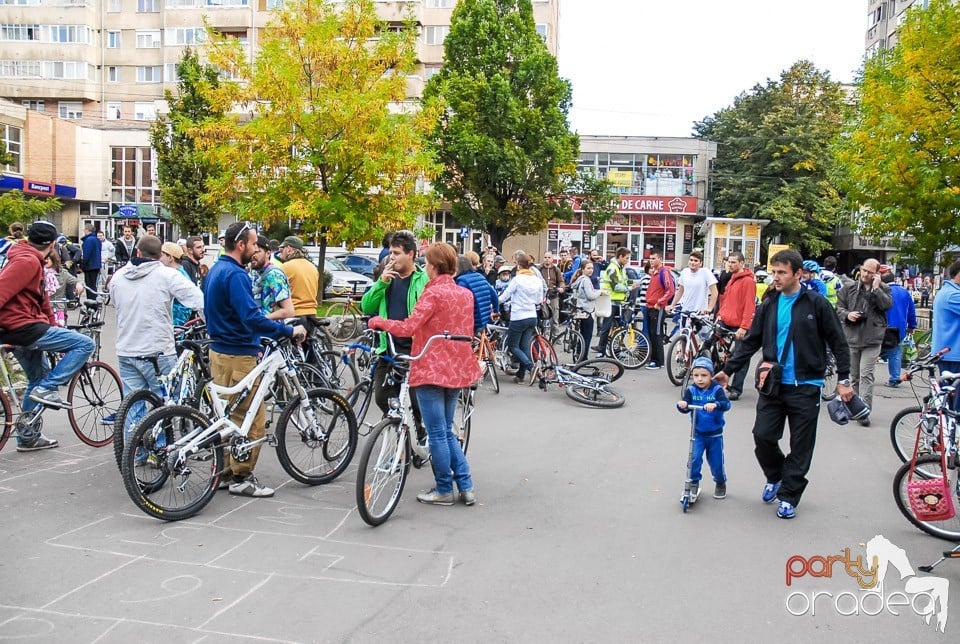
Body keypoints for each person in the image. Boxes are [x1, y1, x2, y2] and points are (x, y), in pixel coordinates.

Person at [715, 249, 853, 520]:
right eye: (773, 272)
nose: (775, 278)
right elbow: (751, 341)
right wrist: (727, 370)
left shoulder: (816, 304)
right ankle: (777, 476)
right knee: (763, 436)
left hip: (807, 385)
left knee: (801, 446)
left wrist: (844, 379)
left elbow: (839, 342)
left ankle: (789, 495)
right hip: (773, 384)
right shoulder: (769, 305)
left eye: (781, 273)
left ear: (797, 274)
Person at [367, 242, 480, 506]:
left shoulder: (433, 294)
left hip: (431, 366)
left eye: (427, 262)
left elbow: (408, 327)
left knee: (437, 433)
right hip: (456, 368)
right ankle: (466, 485)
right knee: (446, 431)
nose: (425, 266)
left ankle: (443, 488)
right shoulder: (464, 294)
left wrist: (378, 321)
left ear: (433, 265)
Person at [204, 221, 307, 497]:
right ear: (241, 245)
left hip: (219, 352)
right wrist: (288, 330)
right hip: (239, 353)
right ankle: (242, 477)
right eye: (252, 243)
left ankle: (225, 471)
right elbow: (250, 318)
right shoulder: (236, 275)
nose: (256, 248)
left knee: (226, 417)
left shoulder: (216, 269)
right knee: (251, 418)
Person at [0, 221, 94, 451]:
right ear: (53, 244)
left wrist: (54, 326)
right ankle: (49, 389)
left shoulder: (30, 258)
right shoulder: (27, 261)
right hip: (22, 327)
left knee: (37, 376)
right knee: (85, 344)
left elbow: (42, 301)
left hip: (23, 325)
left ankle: (28, 436)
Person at [109, 235, 204, 430]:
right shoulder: (167, 275)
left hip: (126, 349)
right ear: (160, 254)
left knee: (133, 405)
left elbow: (115, 303)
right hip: (158, 349)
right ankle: (160, 449)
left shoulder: (118, 277)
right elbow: (199, 300)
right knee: (165, 403)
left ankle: (135, 453)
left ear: (137, 252)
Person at [360, 230, 428, 421]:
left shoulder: (423, 279)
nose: (392, 257)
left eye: (396, 253)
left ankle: (420, 439)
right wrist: (381, 283)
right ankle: (397, 429)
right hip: (388, 347)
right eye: (390, 253)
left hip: (415, 350)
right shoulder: (387, 278)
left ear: (411, 255)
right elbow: (366, 306)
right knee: (382, 397)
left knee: (417, 404)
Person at [835, 257, 892, 426]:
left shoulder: (884, 289)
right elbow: (838, 308)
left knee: (866, 374)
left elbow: (886, 306)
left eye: (870, 272)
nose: (866, 274)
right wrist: (847, 315)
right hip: (852, 336)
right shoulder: (849, 288)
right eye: (864, 270)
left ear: (876, 274)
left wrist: (876, 289)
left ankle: (864, 411)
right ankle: (854, 407)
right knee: (854, 376)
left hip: (872, 338)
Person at [677, 356, 731, 501]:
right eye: (696, 375)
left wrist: (716, 405)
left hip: (714, 435)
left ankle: (720, 482)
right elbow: (686, 406)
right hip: (698, 433)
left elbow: (726, 404)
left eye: (704, 375)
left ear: (711, 375)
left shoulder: (716, 390)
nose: (700, 379)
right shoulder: (691, 390)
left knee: (716, 462)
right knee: (694, 459)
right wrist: (682, 405)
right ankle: (693, 482)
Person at [498, 253, 545, 384]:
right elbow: (538, 300)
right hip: (532, 316)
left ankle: (533, 369)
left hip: (518, 316)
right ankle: (520, 376)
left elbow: (504, 297)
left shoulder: (517, 280)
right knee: (524, 348)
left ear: (518, 265)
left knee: (512, 346)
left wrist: (494, 302)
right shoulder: (537, 280)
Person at [716, 251, 756, 400]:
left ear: (741, 263)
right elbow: (726, 301)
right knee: (709, 342)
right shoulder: (732, 278)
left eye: (733, 262)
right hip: (725, 320)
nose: (730, 265)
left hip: (739, 324)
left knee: (741, 356)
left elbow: (749, 306)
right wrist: (719, 315)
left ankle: (736, 388)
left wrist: (744, 327)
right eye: (729, 262)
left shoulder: (748, 281)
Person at [879, 270, 916, 388]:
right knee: (895, 352)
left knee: (873, 350)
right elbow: (911, 311)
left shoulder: (881, 291)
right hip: (898, 328)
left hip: (881, 327)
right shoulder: (905, 292)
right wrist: (912, 326)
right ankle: (895, 378)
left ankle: (863, 375)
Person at [595, 247, 633, 357]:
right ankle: (601, 349)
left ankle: (614, 349)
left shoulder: (620, 268)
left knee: (618, 327)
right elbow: (616, 286)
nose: (627, 260)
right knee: (607, 326)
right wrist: (630, 288)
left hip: (618, 301)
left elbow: (624, 281)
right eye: (626, 258)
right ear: (620, 257)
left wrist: (632, 283)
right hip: (610, 301)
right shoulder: (613, 268)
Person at [278, 235, 320, 325]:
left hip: (294, 314)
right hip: (312, 314)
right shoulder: (312, 267)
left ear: (289, 249)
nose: (280, 254)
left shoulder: (285, 267)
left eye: (282, 250)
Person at [251, 235, 294, 319]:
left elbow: (289, 311)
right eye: (252, 252)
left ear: (268, 253)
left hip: (267, 328)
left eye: (257, 252)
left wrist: (261, 320)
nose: (253, 255)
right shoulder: (253, 272)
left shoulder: (274, 275)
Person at [644, 252, 675, 370]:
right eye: (650, 259)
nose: (651, 261)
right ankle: (654, 359)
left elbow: (670, 290)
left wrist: (660, 302)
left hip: (657, 308)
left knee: (657, 334)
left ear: (660, 259)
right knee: (652, 334)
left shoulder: (664, 272)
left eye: (653, 258)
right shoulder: (655, 273)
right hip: (650, 307)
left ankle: (658, 361)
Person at [455, 255, 499, 334]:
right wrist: (496, 311)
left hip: (473, 321)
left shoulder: (462, 282)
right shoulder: (480, 276)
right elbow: (494, 295)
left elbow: (459, 303)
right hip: (485, 319)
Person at [932, 259, 960, 377]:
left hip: (949, 353)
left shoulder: (947, 291)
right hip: (953, 354)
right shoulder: (953, 295)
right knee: (954, 394)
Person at [669, 250, 718, 316]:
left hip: (700, 313)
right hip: (685, 311)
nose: (692, 262)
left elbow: (714, 292)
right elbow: (680, 291)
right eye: (691, 260)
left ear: (700, 263)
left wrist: (709, 308)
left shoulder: (705, 272)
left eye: (695, 261)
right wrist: (672, 305)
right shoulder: (685, 272)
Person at [158, 241, 195, 327]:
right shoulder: (177, 274)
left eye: (161, 255)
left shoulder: (177, 277)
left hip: (175, 325)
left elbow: (186, 307)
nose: (159, 259)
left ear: (170, 257)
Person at [571, 261, 600, 362]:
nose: (591, 270)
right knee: (587, 336)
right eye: (588, 268)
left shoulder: (580, 279)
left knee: (582, 335)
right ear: (583, 269)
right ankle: (583, 358)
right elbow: (590, 296)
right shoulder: (586, 280)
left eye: (592, 268)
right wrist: (599, 292)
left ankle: (579, 354)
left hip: (580, 309)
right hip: (587, 311)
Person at [44, 252, 77, 326]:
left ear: (54, 260)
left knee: (61, 326)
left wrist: (78, 284)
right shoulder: (37, 272)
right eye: (44, 259)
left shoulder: (62, 272)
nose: (45, 261)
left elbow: (74, 280)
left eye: (48, 259)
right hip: (43, 307)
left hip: (58, 306)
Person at [536, 251, 565, 328]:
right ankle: (543, 337)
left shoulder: (556, 269)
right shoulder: (539, 269)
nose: (547, 259)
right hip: (542, 297)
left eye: (549, 257)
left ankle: (556, 339)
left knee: (555, 319)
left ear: (552, 259)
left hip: (553, 296)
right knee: (542, 319)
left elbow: (561, 281)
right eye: (545, 257)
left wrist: (561, 288)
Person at [79, 224, 102, 295]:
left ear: (87, 230)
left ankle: (91, 302)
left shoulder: (88, 240)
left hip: (90, 266)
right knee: (93, 285)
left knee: (89, 286)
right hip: (96, 265)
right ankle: (94, 301)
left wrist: (82, 265)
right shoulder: (96, 239)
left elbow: (86, 254)